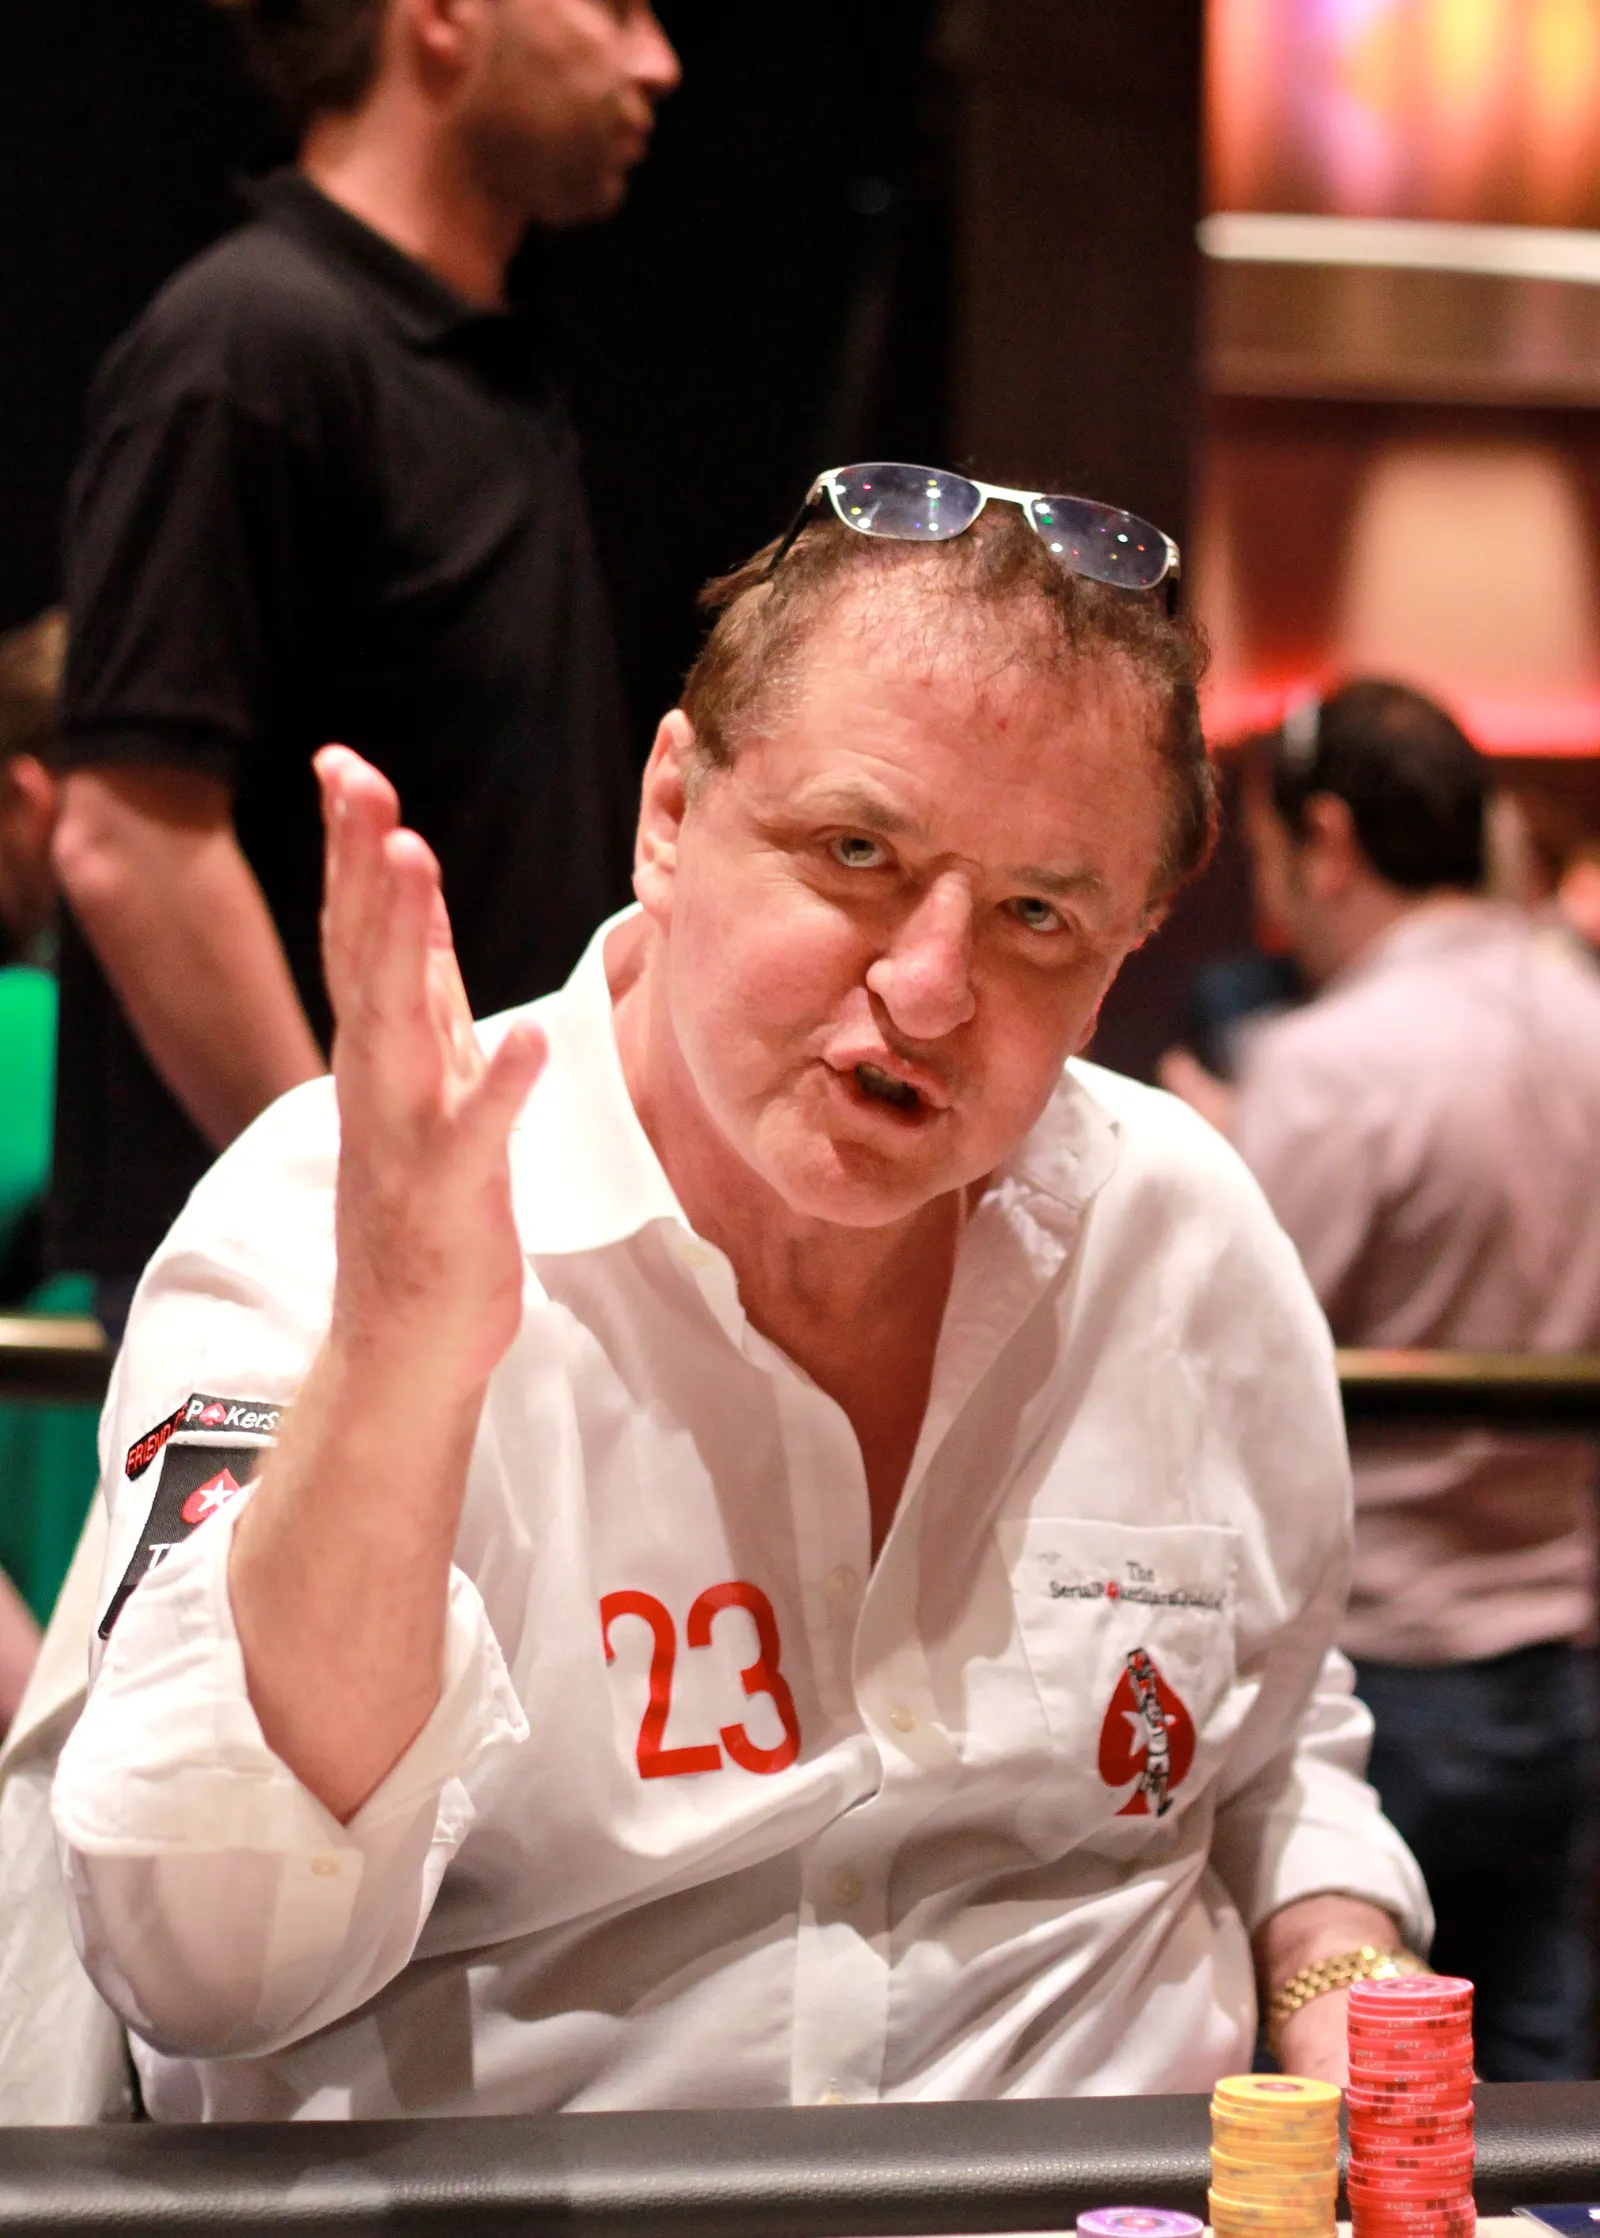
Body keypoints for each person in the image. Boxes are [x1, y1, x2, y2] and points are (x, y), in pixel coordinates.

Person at [53, 475, 1427, 2121]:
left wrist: (1340, 1982)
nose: (930, 988)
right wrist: (398, 1365)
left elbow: (1272, 1747)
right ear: (670, 811)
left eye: (1036, 915)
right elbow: (206, 1968)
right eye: (857, 852)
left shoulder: (1185, 1237)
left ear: (1125, 949)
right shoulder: (332, 1222)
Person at [51, 0, 680, 1336]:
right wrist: (356, 1204)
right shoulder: (250, 340)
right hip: (284, 1287)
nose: (656, 62)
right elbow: (131, 841)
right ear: (442, 17)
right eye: (615, 8)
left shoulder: (482, 364)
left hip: (446, 1254)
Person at [1162, 679, 1600, 2081]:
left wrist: (1217, 1160)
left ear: (1331, 841)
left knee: (1360, 2108)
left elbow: (1229, 1358)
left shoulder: (1330, 1063)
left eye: (1268, 852)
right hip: (1566, 1646)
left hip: (1380, 1671)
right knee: (1541, 2089)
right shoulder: (1588, 1011)